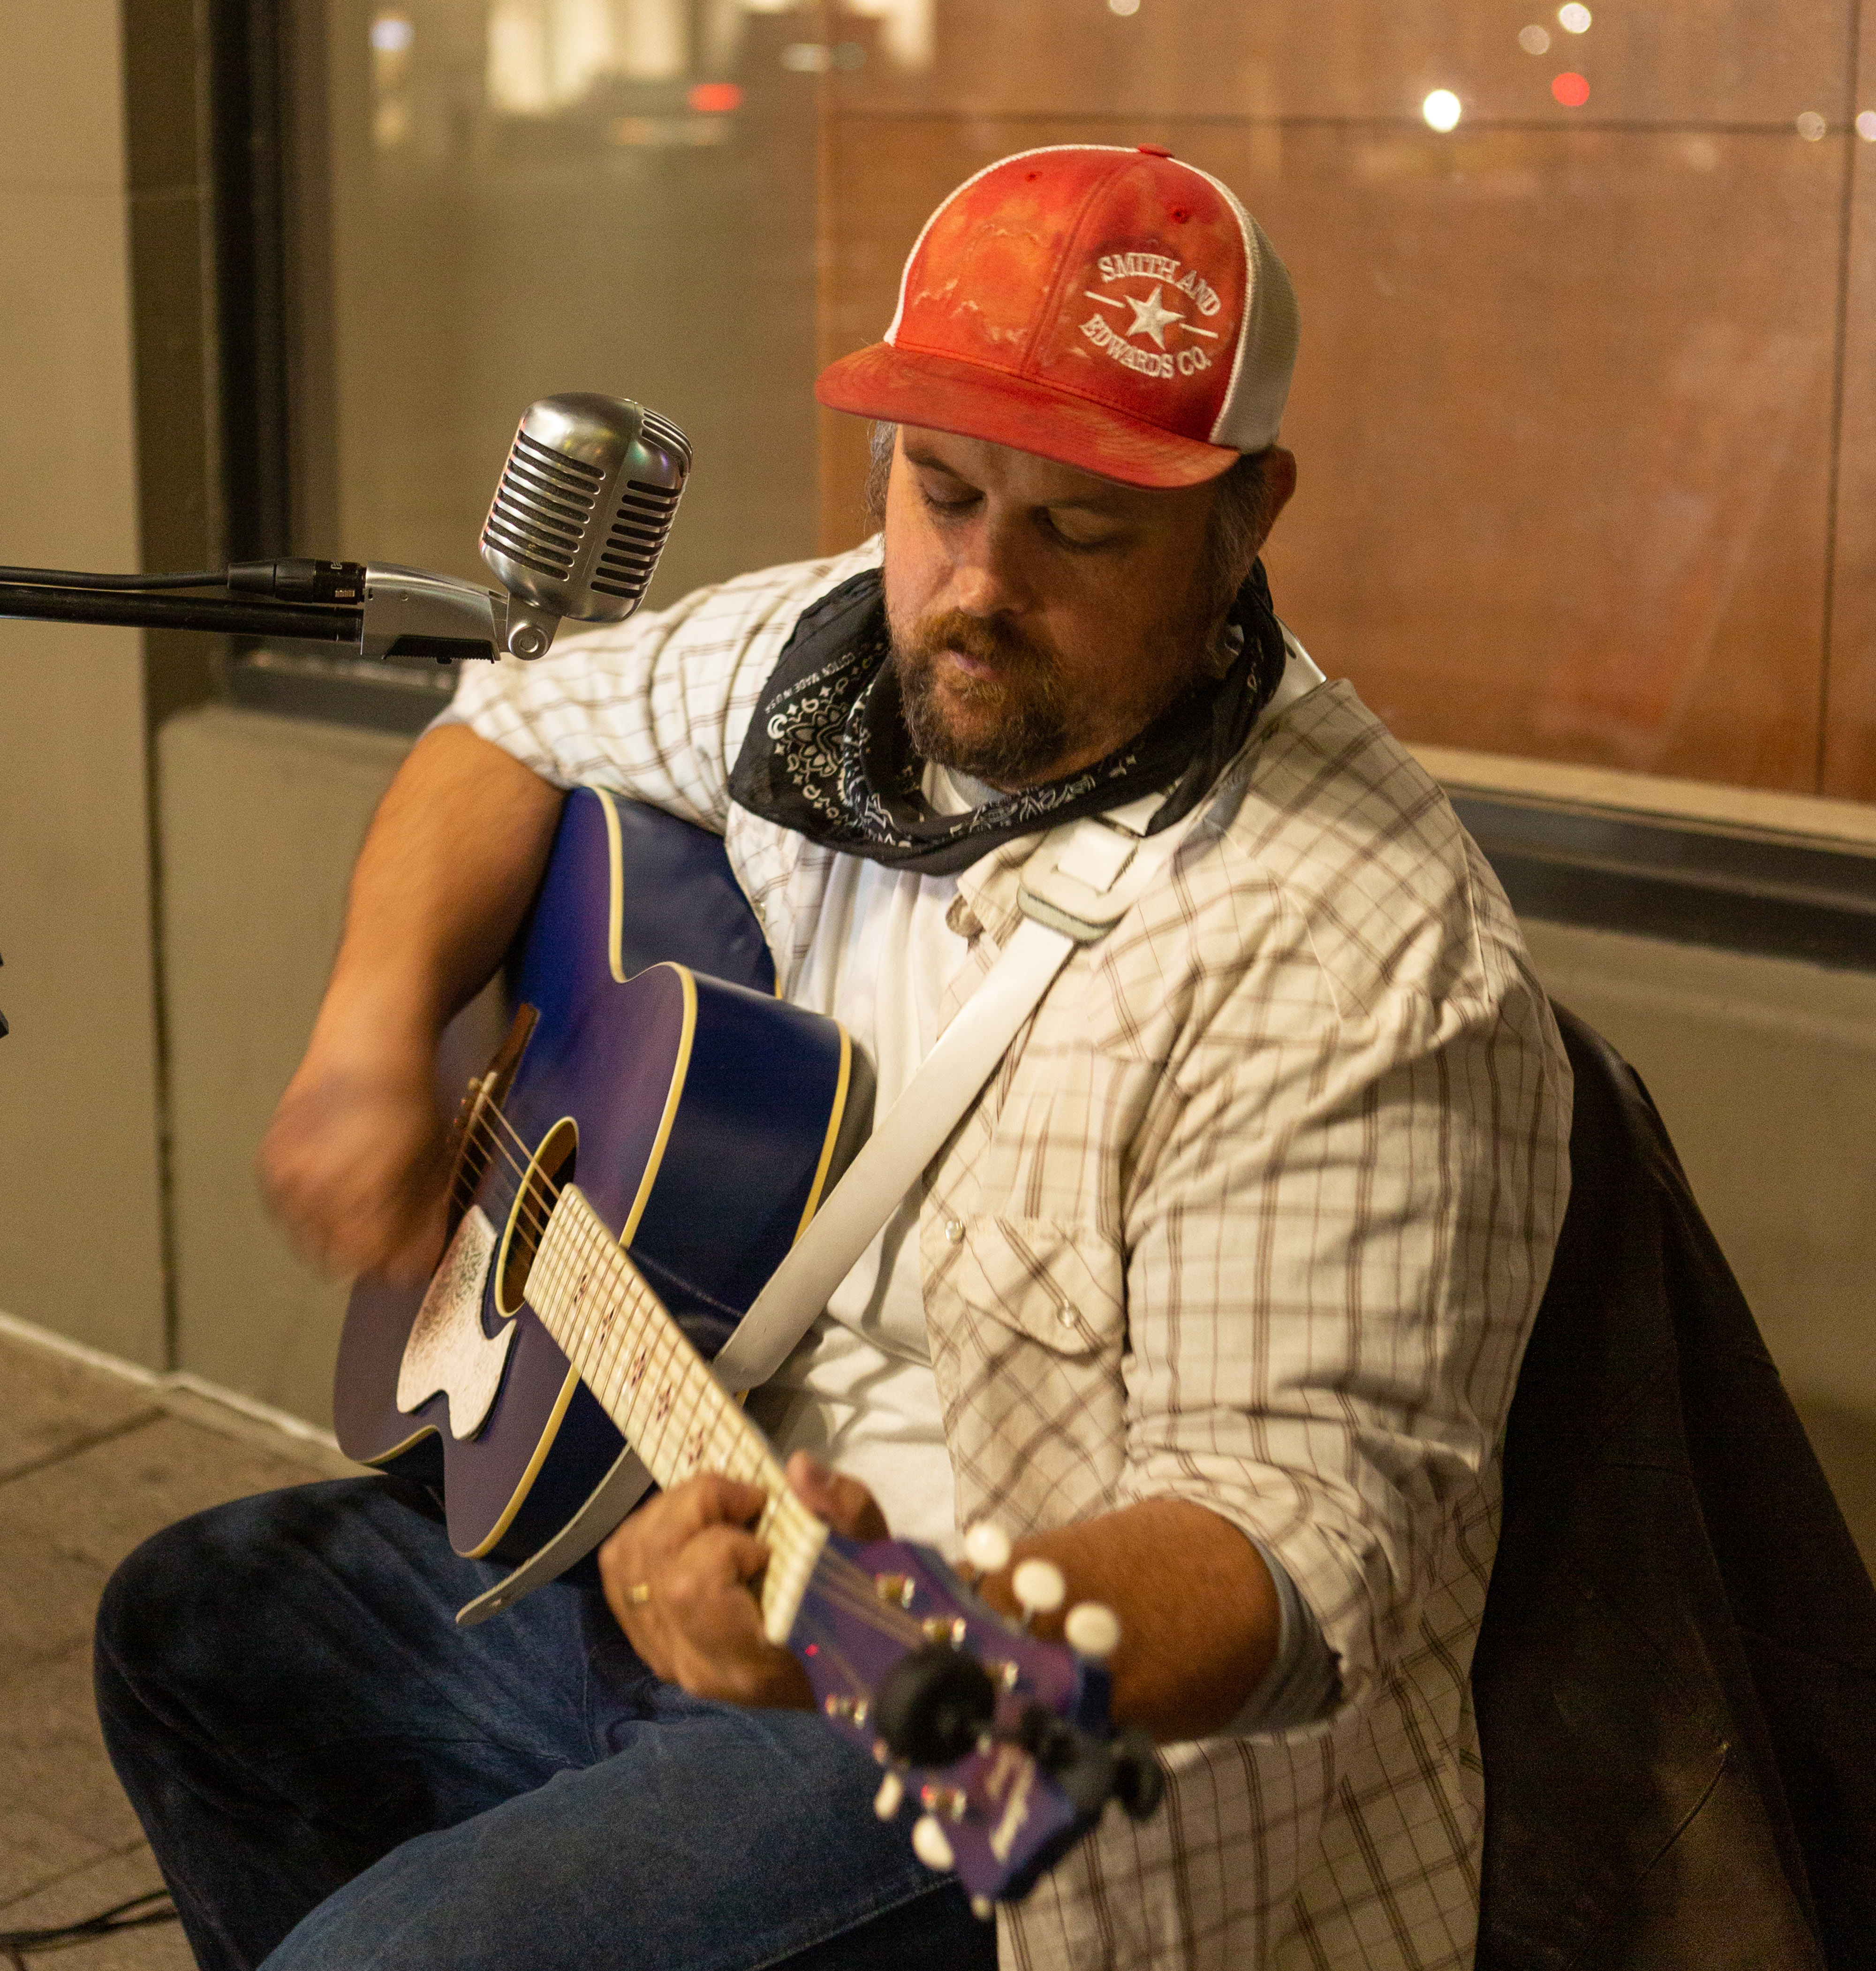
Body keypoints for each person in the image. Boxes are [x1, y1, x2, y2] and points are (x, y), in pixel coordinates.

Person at [95, 145, 1570, 1971]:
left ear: (1249, 513)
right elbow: (510, 724)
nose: (976, 587)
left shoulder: (1350, 953)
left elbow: (1285, 1549)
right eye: (938, 491)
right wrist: (371, 1032)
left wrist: (894, 1618)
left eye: (1082, 531)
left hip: (1012, 1760)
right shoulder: (820, 663)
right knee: (193, 1631)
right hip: (661, 1505)